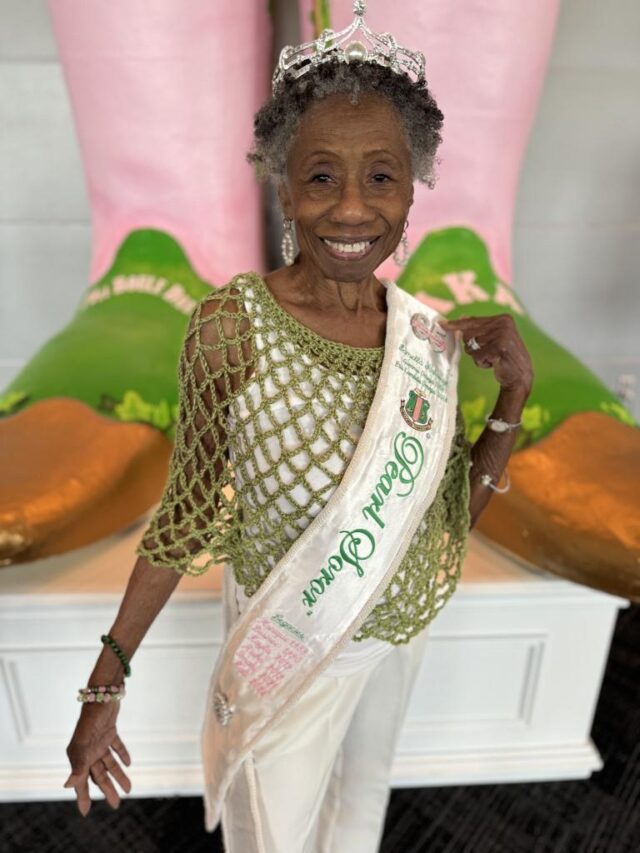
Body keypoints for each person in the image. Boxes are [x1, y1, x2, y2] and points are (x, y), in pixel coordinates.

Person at [63, 5, 533, 850]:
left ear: (413, 186)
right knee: (272, 834)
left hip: (397, 632)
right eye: (322, 177)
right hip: (290, 638)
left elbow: (444, 524)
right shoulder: (229, 326)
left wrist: (510, 404)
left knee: (361, 811)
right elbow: (184, 518)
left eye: (381, 177)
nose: (352, 209)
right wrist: (106, 682)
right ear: (283, 185)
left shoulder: (423, 335)